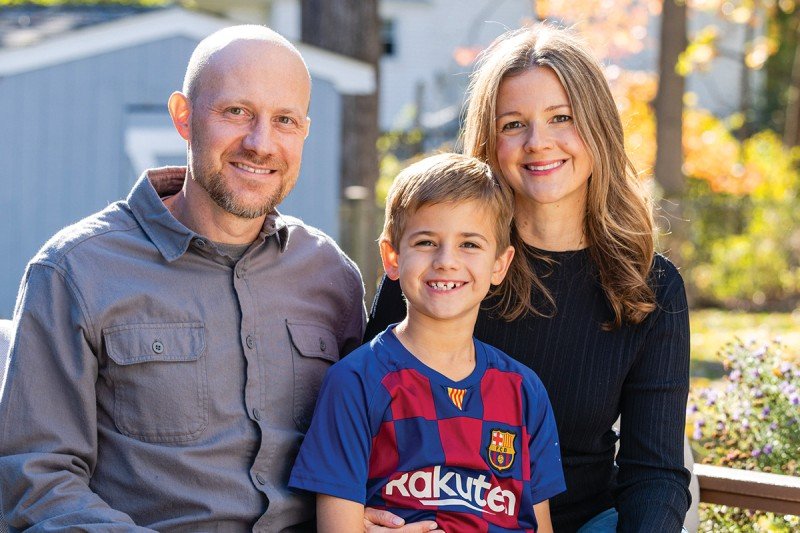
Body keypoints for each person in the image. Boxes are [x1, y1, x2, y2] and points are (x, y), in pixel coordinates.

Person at [0, 25, 371, 531]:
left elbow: (368, 453)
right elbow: (35, 482)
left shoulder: (331, 276)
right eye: (236, 112)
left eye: (284, 120)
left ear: (304, 130)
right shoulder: (74, 272)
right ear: (183, 116)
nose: (261, 144)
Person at [366, 25, 691, 533]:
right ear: (490, 142)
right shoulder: (440, 263)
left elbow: (654, 473)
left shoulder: (650, 286)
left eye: (561, 118)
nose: (539, 143)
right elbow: (363, 414)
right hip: (437, 518)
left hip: (585, 522)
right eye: (513, 124)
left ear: (598, 127)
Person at [290, 153, 565, 532]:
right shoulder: (357, 382)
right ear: (392, 257)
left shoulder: (523, 391)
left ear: (500, 264)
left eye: (469, 244)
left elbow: (541, 525)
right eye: (426, 242)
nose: (446, 261)